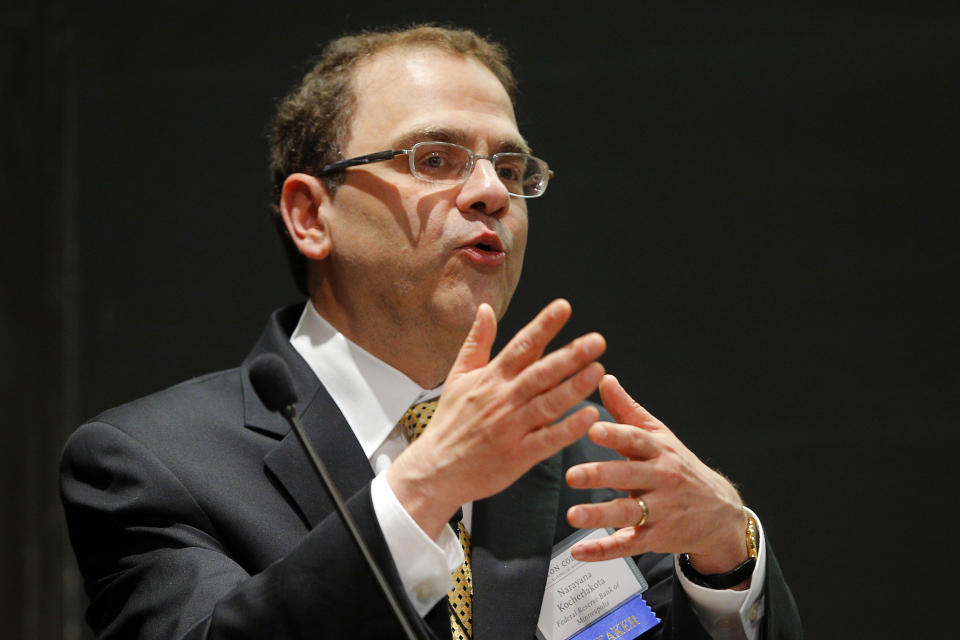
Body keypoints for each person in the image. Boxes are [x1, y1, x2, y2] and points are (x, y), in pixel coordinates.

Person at [60, 25, 801, 640]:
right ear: (311, 216)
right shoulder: (154, 463)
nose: (488, 193)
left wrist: (724, 562)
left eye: (510, 168)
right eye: (434, 159)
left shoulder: (584, 456)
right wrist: (424, 487)